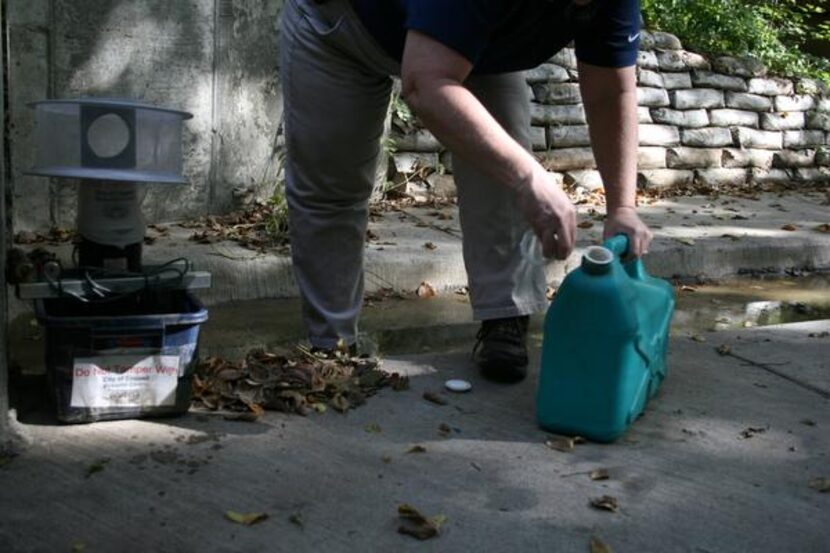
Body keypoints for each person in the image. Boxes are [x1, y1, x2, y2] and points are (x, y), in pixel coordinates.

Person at [280, 0, 653, 382]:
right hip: (344, 23)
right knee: (332, 187)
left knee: (504, 158)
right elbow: (424, 82)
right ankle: (332, 348)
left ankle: (504, 318)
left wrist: (622, 207)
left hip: (470, 43)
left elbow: (611, 90)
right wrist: (530, 178)